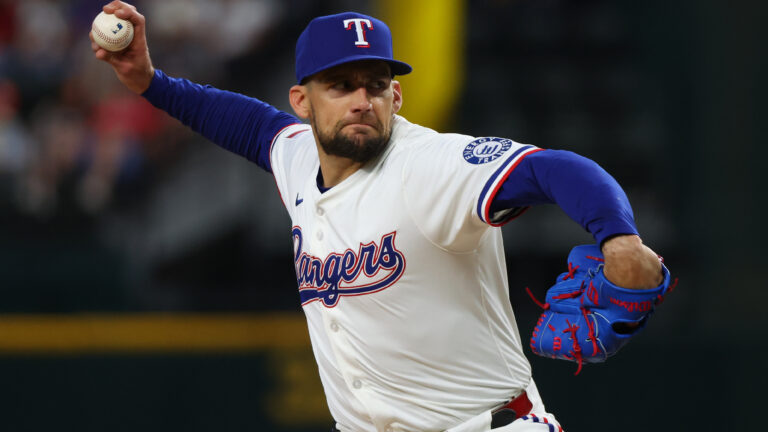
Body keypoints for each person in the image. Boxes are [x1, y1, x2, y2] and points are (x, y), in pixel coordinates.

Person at [91, 2, 668, 431]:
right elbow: (240, 123)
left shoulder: (432, 166)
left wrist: (617, 235)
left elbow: (554, 169)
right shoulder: (297, 155)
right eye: (340, 85)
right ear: (302, 101)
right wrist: (149, 81)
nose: (361, 99)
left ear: (397, 98)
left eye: (375, 84)